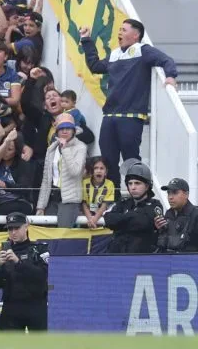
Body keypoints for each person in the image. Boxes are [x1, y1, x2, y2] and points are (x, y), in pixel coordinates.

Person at [80, 20, 177, 190]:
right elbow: (95, 66)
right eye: (119, 29)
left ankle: (138, 198)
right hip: (109, 117)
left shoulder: (143, 51)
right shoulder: (115, 54)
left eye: (124, 30)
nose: (119, 33)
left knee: (131, 160)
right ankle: (114, 198)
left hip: (131, 117)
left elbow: (166, 60)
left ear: (136, 35)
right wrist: (86, 40)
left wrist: (171, 76)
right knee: (108, 161)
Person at [0, 212, 49, 331]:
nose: (13, 232)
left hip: (36, 305)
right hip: (11, 307)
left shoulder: (39, 250)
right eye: (10, 229)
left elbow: (42, 276)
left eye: (17, 228)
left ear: (26, 226)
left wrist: (18, 262)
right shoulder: (2, 253)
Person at [104, 160, 163, 254]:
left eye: (137, 183)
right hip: (116, 255)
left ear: (147, 186)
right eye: (130, 183)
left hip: (140, 257)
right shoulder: (122, 203)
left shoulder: (155, 205)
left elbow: (143, 222)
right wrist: (131, 218)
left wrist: (121, 221)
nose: (133, 187)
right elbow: (108, 219)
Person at [156, 178, 198, 253]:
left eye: (175, 192)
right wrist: (158, 230)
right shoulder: (168, 214)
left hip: (189, 262)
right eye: (168, 193)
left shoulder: (195, 215)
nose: (170, 197)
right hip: (168, 262)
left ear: (186, 194)